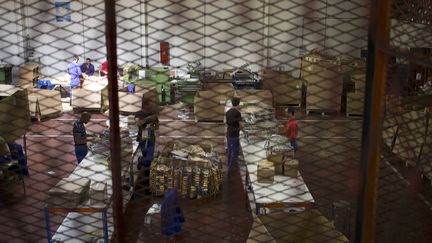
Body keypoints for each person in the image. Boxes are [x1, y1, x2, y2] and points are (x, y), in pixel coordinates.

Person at [135, 98, 160, 195]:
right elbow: (138, 123)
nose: (151, 106)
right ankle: (141, 164)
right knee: (144, 157)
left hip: (151, 139)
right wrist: (148, 119)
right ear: (145, 105)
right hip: (142, 139)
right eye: (149, 105)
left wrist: (153, 126)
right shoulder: (138, 114)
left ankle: (146, 183)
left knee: (149, 160)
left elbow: (157, 126)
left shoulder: (153, 114)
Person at [225, 97, 242, 172]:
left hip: (228, 132)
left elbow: (226, 122)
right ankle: (231, 169)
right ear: (238, 104)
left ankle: (228, 165)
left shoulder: (228, 112)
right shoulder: (237, 113)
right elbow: (241, 125)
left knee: (230, 150)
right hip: (235, 134)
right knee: (234, 152)